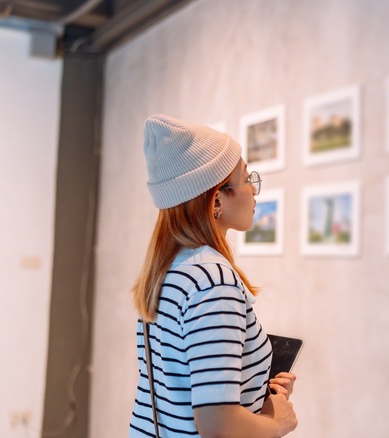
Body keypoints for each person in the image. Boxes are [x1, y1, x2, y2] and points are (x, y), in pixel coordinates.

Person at [129, 114, 298, 437]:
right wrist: (277, 423)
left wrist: (256, 397)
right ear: (217, 199)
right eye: (247, 179)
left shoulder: (169, 270)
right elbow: (218, 425)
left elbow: (180, 392)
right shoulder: (213, 282)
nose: (254, 191)